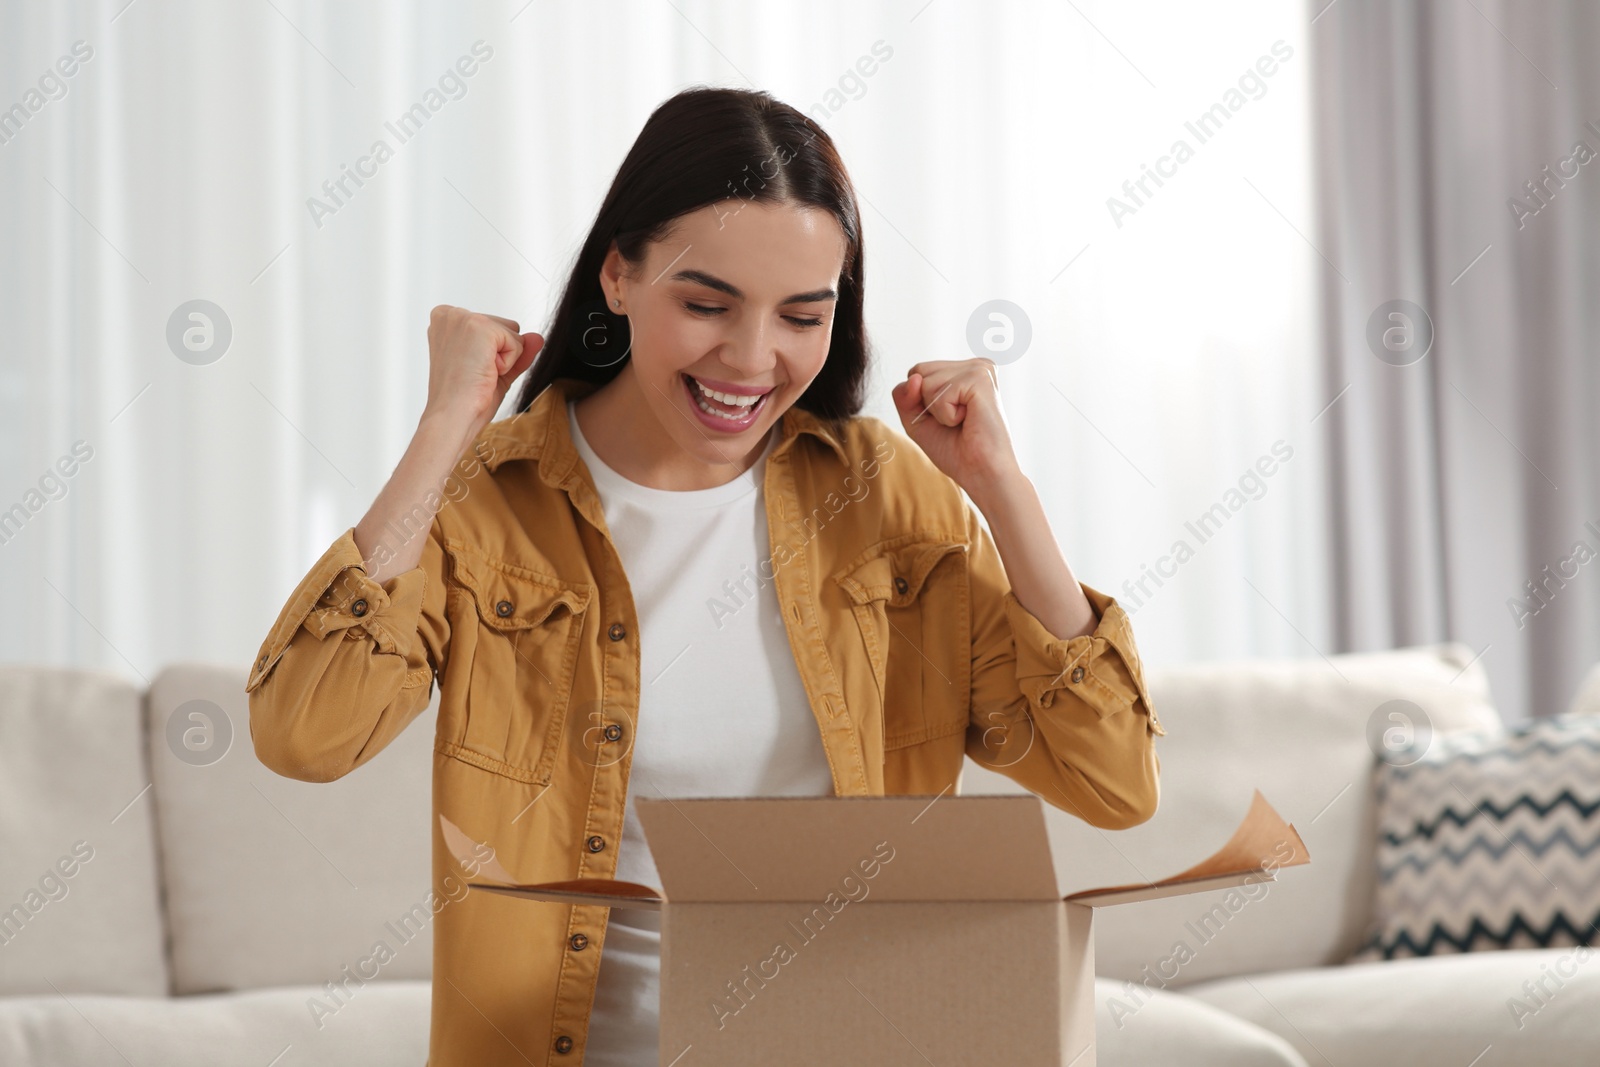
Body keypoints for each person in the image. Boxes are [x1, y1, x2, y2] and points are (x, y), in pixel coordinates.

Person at [247, 85, 1163, 1066]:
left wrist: (1001, 488)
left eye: (802, 315)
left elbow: (1111, 781)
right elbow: (307, 731)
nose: (751, 357)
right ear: (616, 274)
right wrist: (445, 427)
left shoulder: (887, 497)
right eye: (705, 303)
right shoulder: (489, 499)